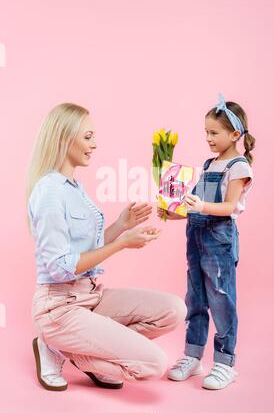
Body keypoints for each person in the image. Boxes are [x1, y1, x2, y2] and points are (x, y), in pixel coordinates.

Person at [26, 103, 187, 391]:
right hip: (59, 308)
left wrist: (121, 226)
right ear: (65, 137)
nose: (94, 145)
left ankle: (86, 347)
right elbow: (62, 266)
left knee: (173, 310)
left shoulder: (73, 186)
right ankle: (61, 348)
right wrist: (122, 244)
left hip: (89, 297)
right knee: (154, 364)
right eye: (88, 137)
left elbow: (85, 249)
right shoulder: (49, 192)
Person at [158, 94, 255, 390]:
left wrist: (200, 206)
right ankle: (193, 355)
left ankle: (225, 362)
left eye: (214, 133)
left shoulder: (238, 167)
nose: (208, 139)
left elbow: (227, 208)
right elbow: (193, 208)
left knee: (222, 300)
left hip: (219, 241)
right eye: (206, 133)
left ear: (234, 135)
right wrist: (170, 212)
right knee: (195, 298)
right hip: (196, 239)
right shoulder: (208, 163)